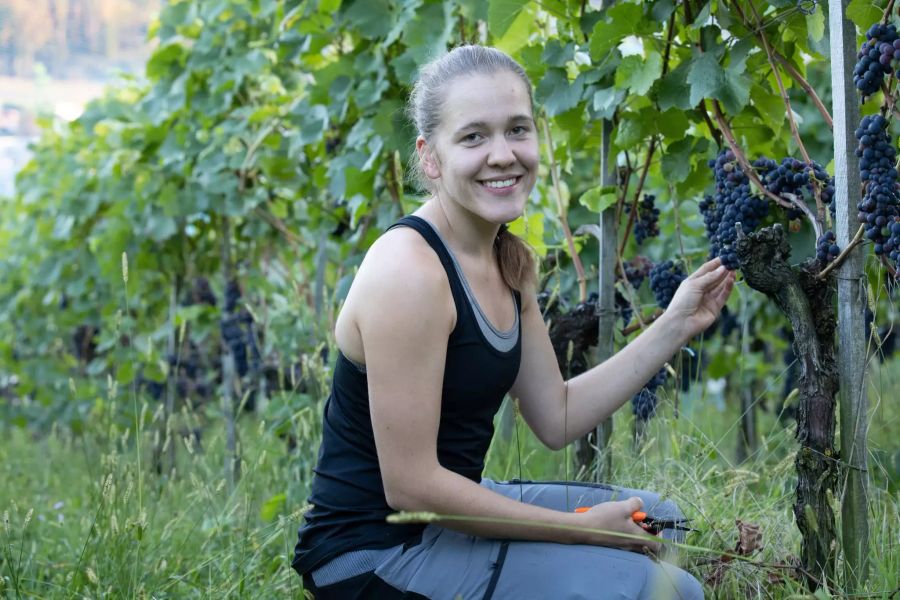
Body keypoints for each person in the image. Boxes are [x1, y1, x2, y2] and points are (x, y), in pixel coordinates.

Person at [292, 45, 734, 599]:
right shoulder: (409, 272)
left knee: (659, 523)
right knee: (660, 588)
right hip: (375, 553)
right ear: (430, 157)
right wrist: (578, 531)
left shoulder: (507, 260)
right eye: (474, 136)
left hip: (445, 521)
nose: (502, 154)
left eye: (517, 130)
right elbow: (410, 486)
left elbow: (557, 415)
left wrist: (675, 322)